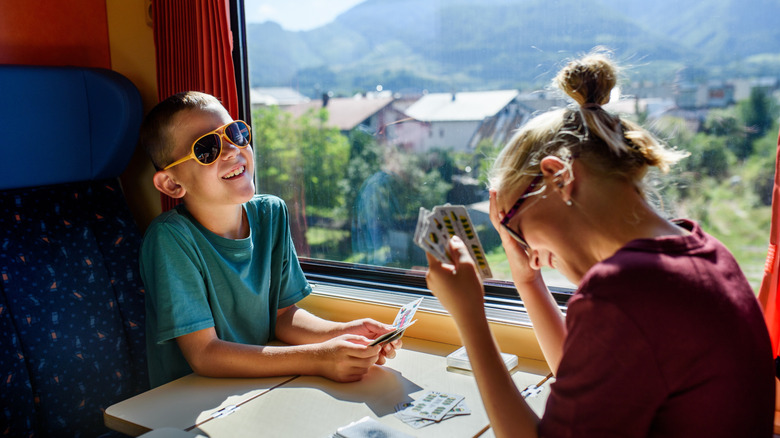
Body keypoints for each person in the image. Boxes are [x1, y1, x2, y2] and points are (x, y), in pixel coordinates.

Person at [425, 52, 775, 437]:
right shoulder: (702, 252)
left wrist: (470, 317)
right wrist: (527, 282)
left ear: (558, 178)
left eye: (516, 227)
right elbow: (589, 388)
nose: (530, 254)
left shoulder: (621, 293)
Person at [139, 91, 399, 388]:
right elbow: (205, 354)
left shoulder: (271, 214)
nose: (231, 151)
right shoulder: (171, 239)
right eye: (207, 148)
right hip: (190, 397)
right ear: (172, 184)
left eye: (234, 133)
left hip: (256, 384)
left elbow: (283, 316)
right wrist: (319, 358)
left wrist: (342, 333)